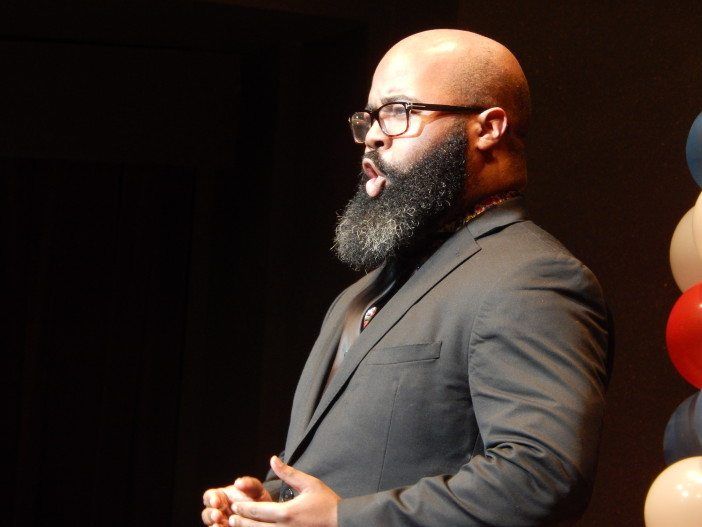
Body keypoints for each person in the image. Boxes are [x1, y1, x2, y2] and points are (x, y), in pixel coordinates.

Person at [201, 29, 610, 527]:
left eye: (399, 111)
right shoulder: (362, 292)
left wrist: (343, 520)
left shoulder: (531, 279)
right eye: (370, 117)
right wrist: (271, 502)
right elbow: (371, 467)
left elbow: (541, 477)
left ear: (489, 127)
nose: (374, 134)